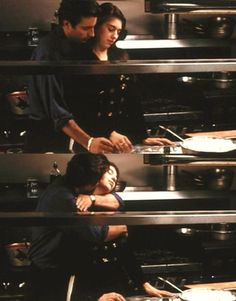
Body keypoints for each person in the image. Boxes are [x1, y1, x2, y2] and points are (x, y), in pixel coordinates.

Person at [73, 2, 172, 153]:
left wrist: (142, 137)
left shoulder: (120, 56)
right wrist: (108, 132)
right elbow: (80, 107)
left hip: (120, 137)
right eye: (110, 29)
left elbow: (133, 100)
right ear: (97, 26)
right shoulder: (80, 57)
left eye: (119, 31)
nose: (114, 36)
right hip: (90, 138)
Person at [27, 153, 126, 301]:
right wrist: (122, 228)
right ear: (90, 184)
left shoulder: (65, 183)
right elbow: (97, 235)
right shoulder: (65, 199)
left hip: (56, 270)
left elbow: (118, 200)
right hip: (50, 275)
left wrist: (92, 198)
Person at [25, 0, 115, 154]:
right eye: (86, 28)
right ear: (66, 24)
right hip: (45, 138)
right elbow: (57, 112)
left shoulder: (77, 45)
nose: (92, 34)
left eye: (93, 27)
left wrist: (109, 131)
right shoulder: (47, 52)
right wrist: (89, 142)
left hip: (69, 136)